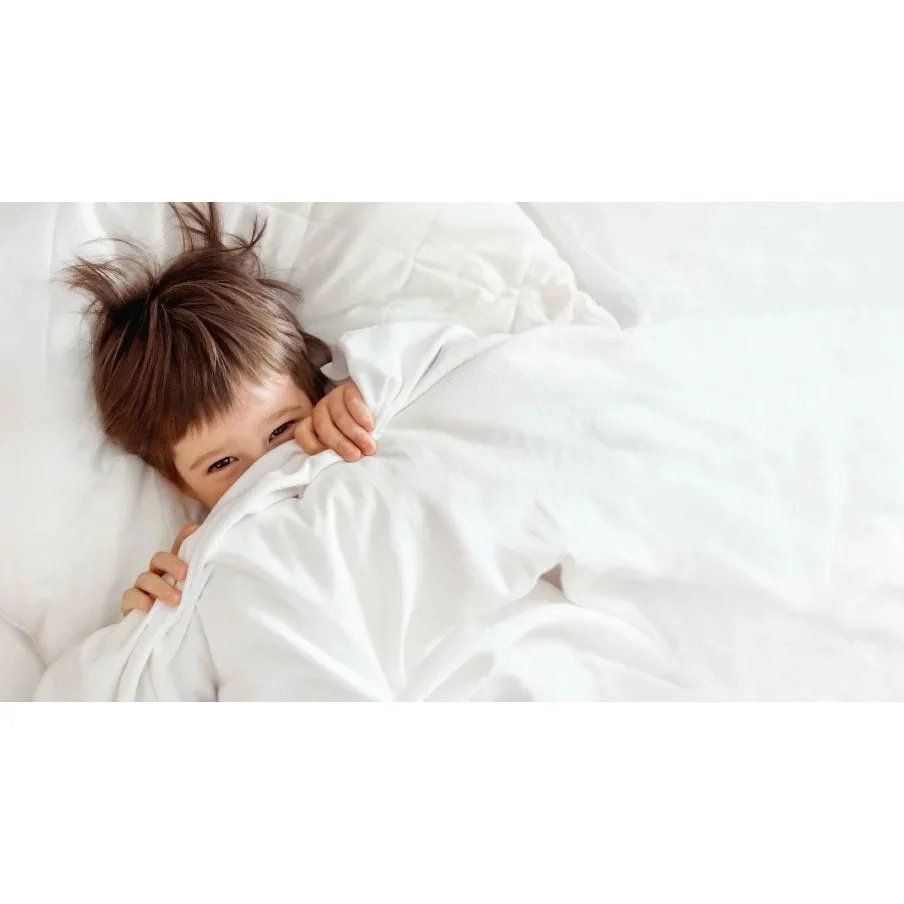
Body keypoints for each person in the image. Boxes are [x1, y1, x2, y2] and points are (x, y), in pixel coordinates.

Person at [64, 203, 374, 617]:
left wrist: (374, 388)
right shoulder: (202, 565)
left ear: (316, 391)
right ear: (182, 485)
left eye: (282, 429)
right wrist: (146, 627)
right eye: (223, 463)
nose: (269, 471)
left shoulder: (359, 436)